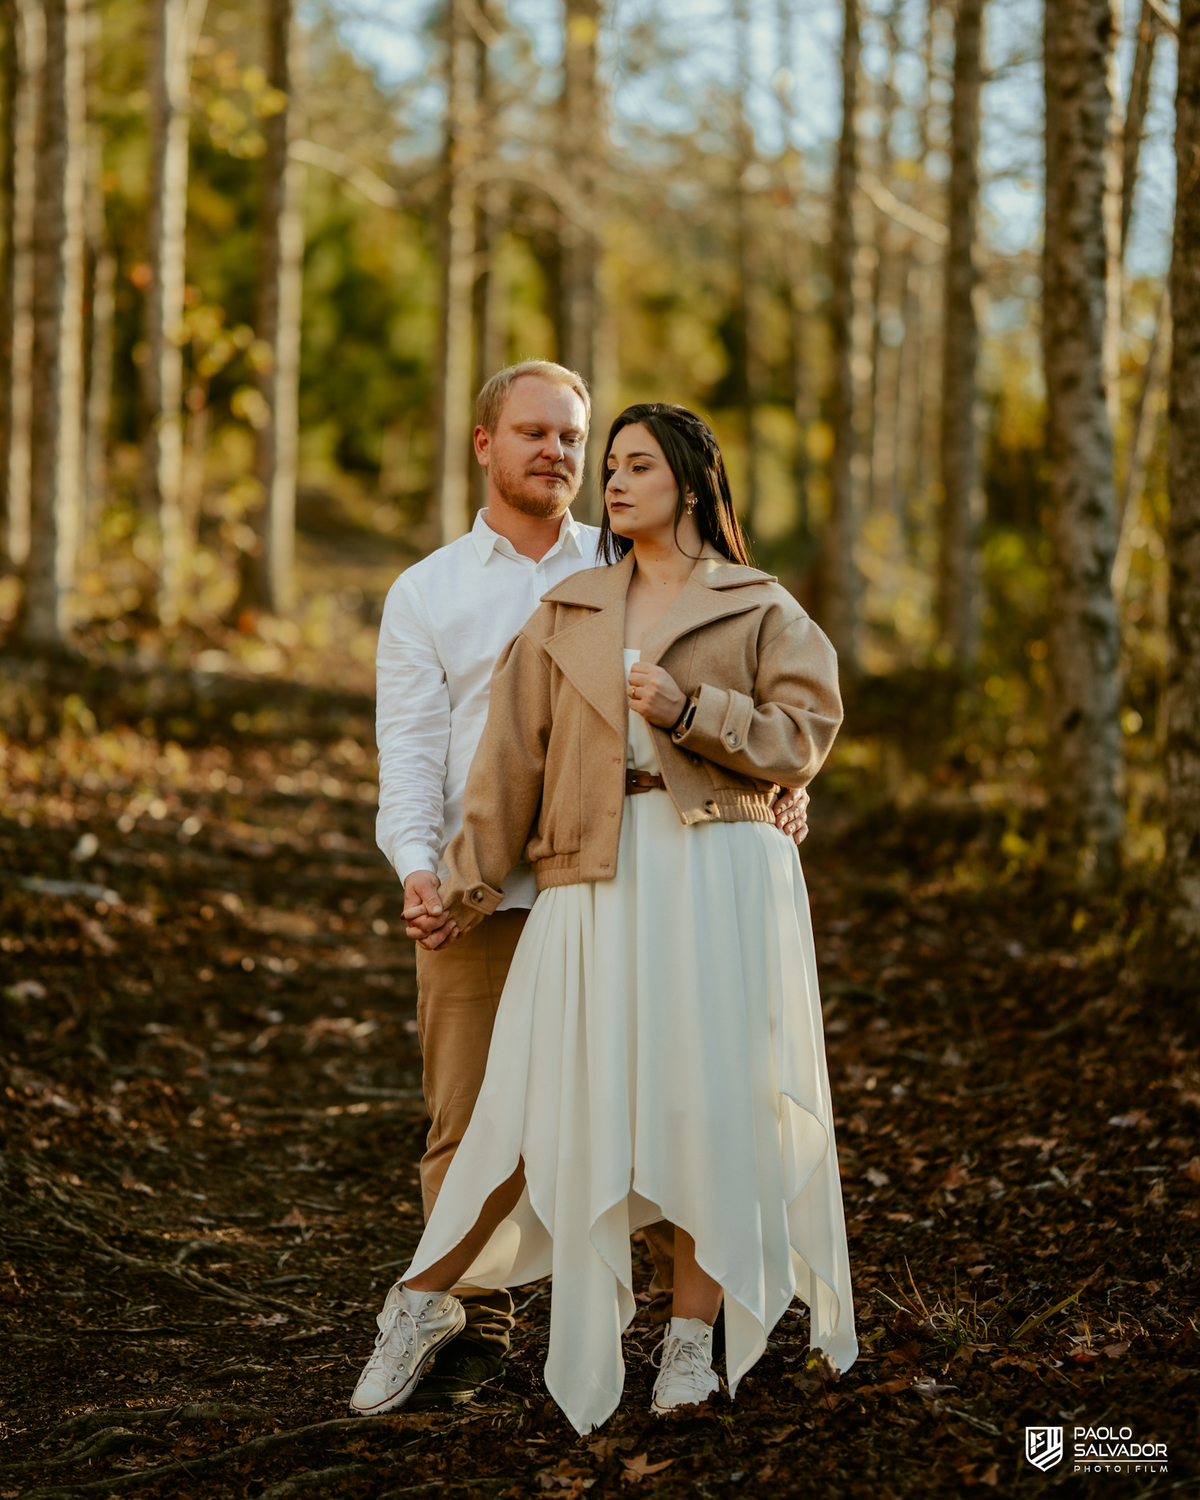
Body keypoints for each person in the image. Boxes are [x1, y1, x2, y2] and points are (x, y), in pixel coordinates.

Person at [353, 403, 856, 1433]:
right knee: (513, 1110)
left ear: (687, 478)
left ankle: (686, 1341)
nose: (608, 481)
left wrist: (692, 714)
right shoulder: (571, 607)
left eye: (630, 464)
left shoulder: (760, 603)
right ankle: (425, 1304)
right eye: (607, 463)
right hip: (596, 875)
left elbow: (804, 733)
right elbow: (505, 768)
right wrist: (459, 883)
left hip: (718, 874)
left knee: (706, 1105)